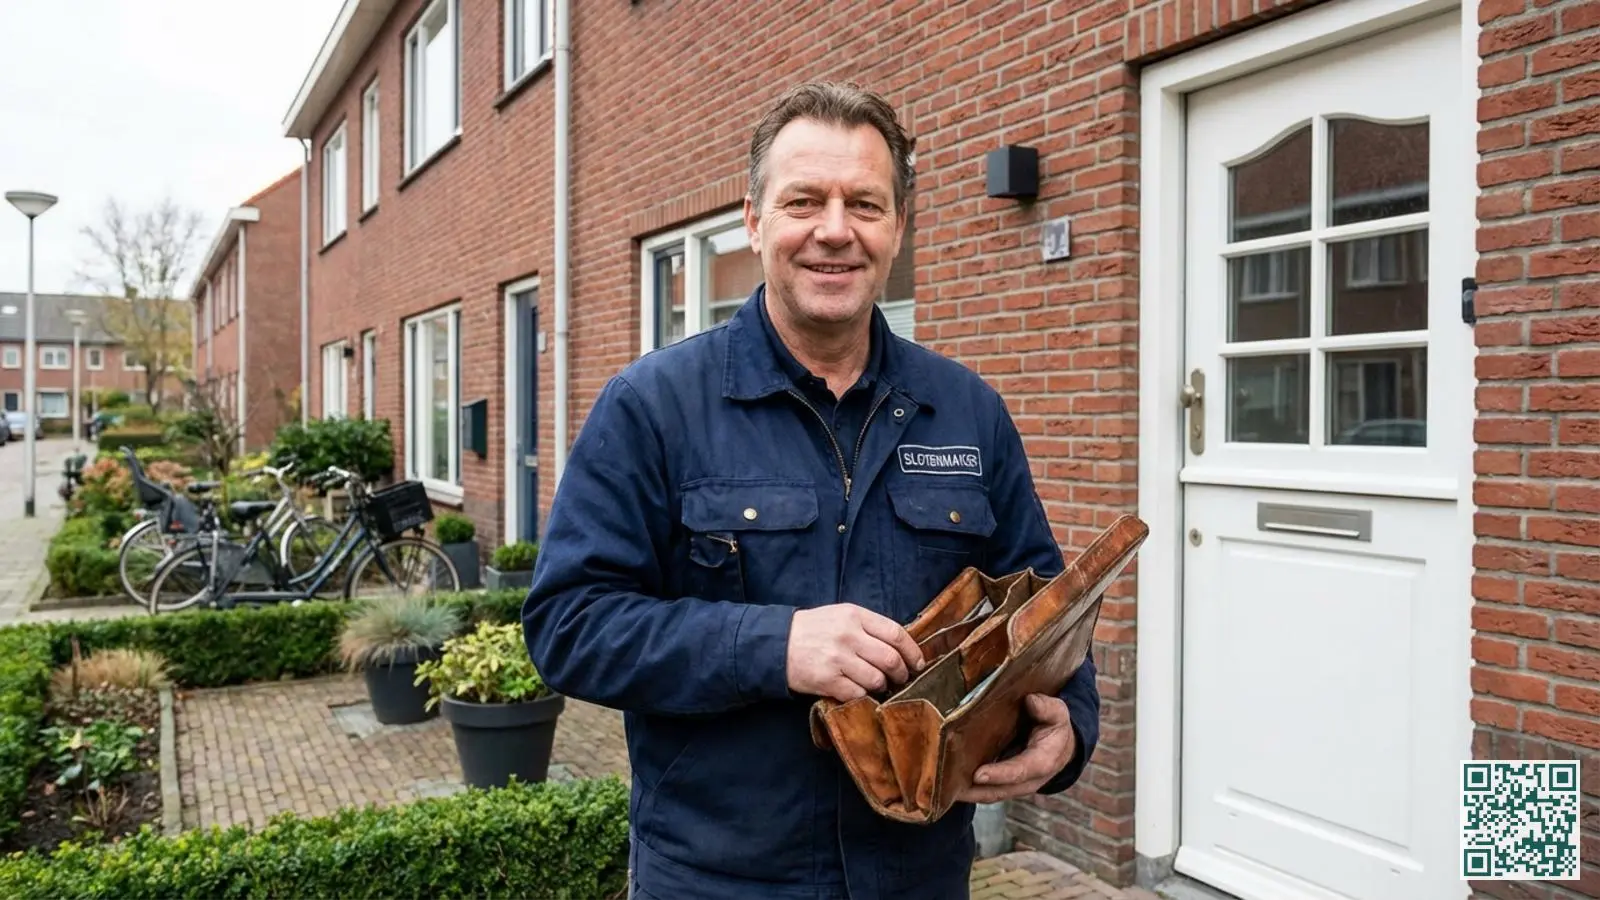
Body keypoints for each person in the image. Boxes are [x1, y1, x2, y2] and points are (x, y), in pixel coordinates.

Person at [521, 81, 1100, 900]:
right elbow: (569, 625)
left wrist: (1069, 728)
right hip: (717, 879)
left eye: (864, 204)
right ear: (754, 222)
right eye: (804, 201)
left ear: (898, 227)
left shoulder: (967, 410)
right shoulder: (654, 407)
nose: (835, 231)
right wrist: (776, 647)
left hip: (918, 876)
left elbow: (1045, 605)